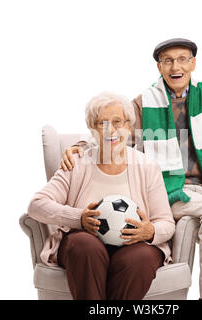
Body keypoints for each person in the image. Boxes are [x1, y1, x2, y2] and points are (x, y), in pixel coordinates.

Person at [60, 10, 202, 299]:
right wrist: (81, 146)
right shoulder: (145, 104)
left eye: (183, 59)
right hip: (167, 191)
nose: (176, 66)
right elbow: (112, 126)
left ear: (193, 63)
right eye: (168, 60)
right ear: (159, 67)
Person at [27, 91, 175, 300]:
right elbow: (36, 205)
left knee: (140, 257)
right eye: (101, 123)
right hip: (85, 244)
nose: (110, 130)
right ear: (92, 129)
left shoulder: (147, 167)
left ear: (129, 126)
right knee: (85, 246)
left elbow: (166, 223)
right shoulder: (76, 163)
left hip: (134, 247)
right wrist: (78, 218)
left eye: (117, 122)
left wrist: (149, 231)